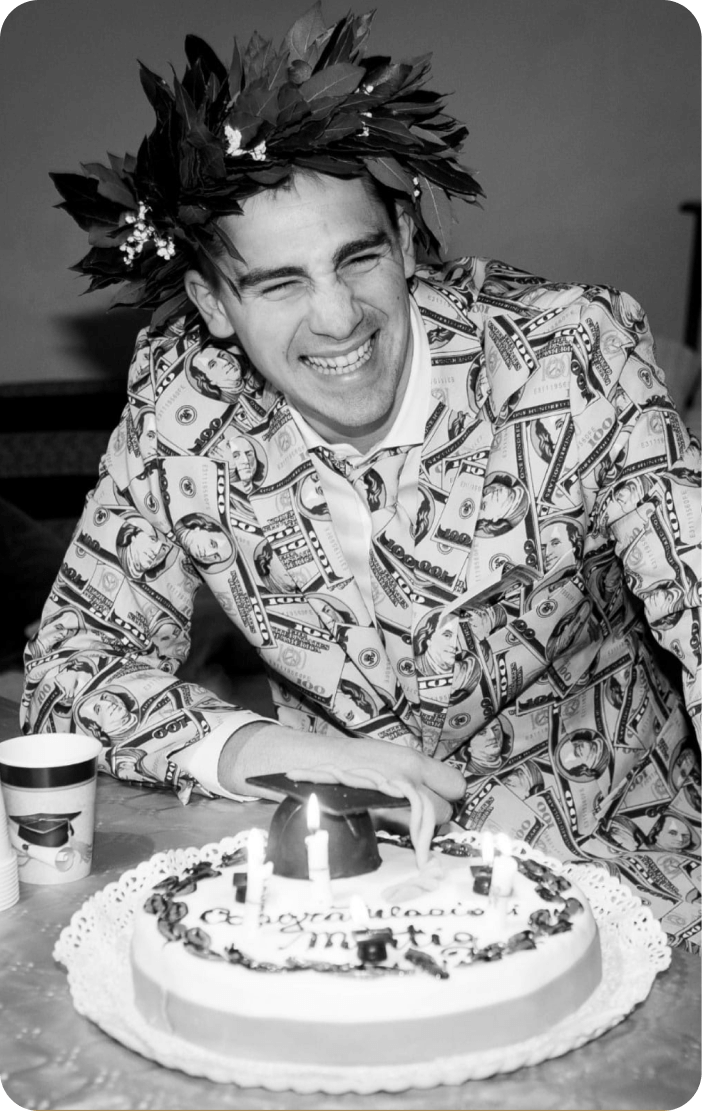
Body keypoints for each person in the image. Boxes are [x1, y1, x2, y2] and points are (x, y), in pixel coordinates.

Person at [24, 5, 702, 949]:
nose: (338, 318)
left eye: (358, 259)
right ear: (213, 304)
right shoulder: (183, 405)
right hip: (340, 895)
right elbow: (70, 673)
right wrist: (282, 754)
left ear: (407, 240)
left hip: (627, 882)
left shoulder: (571, 356)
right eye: (280, 283)